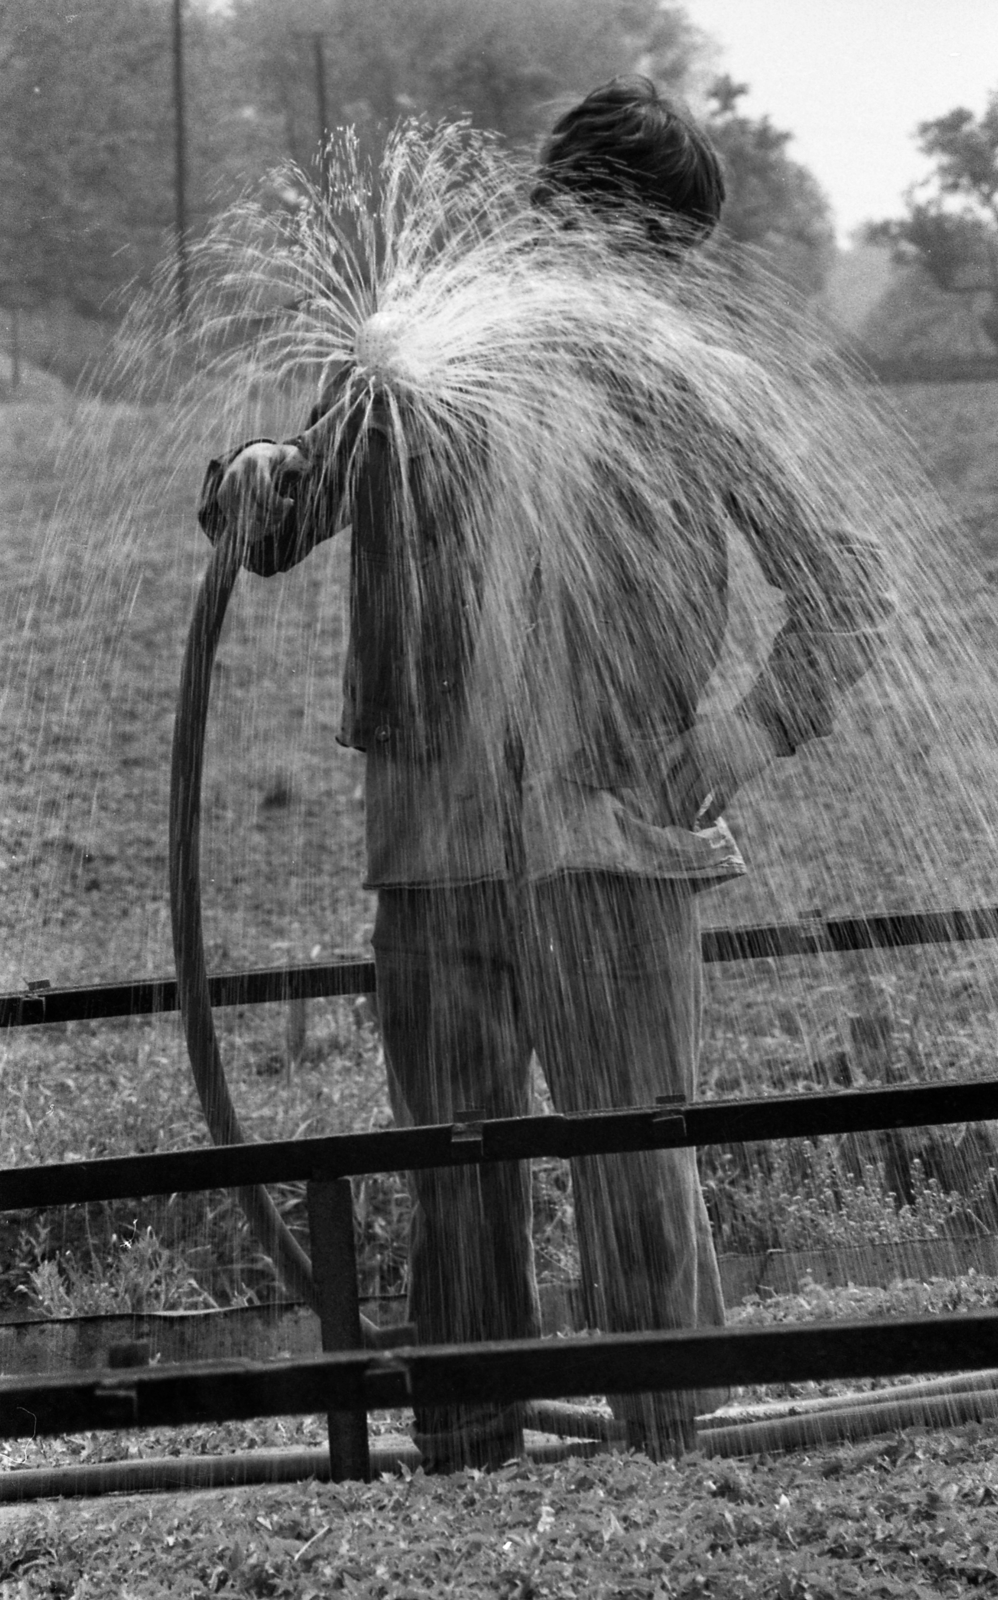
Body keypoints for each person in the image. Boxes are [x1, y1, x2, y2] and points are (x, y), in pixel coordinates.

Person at [199, 77, 892, 1469]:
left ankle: (665, 1448)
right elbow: (279, 519)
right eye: (615, 236)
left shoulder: (694, 384)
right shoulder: (410, 362)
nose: (628, 273)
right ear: (561, 214)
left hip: (618, 849)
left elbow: (847, 591)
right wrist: (259, 472)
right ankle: (463, 1449)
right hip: (435, 851)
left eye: (651, 254)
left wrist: (731, 744)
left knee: (634, 1168)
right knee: (455, 1175)